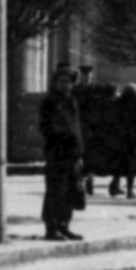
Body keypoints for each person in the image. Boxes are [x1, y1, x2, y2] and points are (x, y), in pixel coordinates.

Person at [39, 65, 85, 242]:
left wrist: (80, 153)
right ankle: (51, 228)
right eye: (62, 81)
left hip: (72, 153)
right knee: (55, 191)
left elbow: (77, 128)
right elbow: (46, 127)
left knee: (70, 191)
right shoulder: (49, 102)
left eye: (68, 82)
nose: (66, 85)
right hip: (56, 152)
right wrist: (63, 136)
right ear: (55, 82)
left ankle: (64, 226)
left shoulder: (71, 101)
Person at [111, 82, 136, 197]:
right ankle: (129, 190)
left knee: (118, 164)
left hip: (119, 138)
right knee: (131, 167)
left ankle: (115, 185)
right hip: (132, 140)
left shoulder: (118, 103)